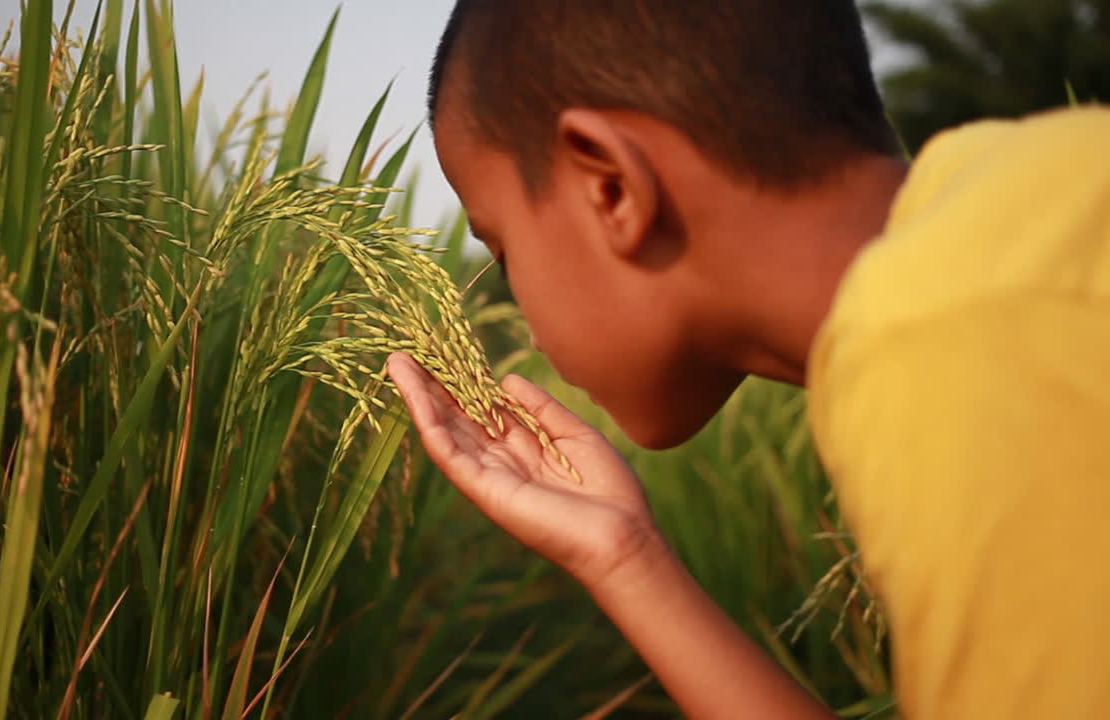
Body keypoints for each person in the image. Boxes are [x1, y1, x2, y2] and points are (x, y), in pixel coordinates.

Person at [385, 0, 1110, 717]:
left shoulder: (946, 348)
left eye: (504, 250)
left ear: (610, 188)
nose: (525, 318)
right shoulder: (1030, 190)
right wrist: (625, 555)